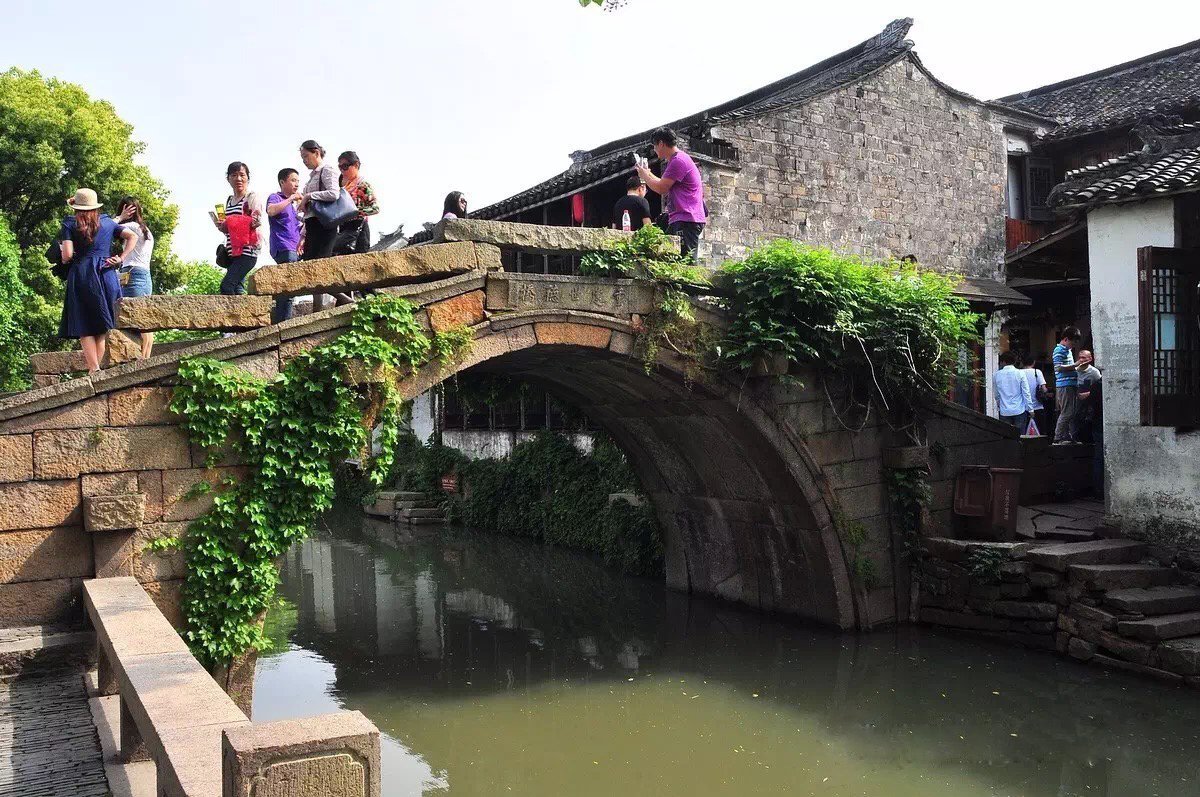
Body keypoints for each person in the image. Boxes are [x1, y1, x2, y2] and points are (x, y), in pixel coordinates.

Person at [58, 188, 134, 372]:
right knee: (101, 324)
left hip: (83, 273)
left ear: (76, 207)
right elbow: (133, 236)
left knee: (84, 323)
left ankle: (94, 369)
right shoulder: (108, 222)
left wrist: (62, 255)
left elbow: (67, 255)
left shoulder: (70, 223)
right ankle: (97, 368)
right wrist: (121, 258)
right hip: (105, 272)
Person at [635, 127, 707, 261]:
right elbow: (664, 183)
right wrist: (647, 173)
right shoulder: (678, 159)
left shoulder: (678, 161)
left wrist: (644, 175)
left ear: (661, 143)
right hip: (683, 218)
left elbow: (661, 188)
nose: (655, 150)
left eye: (655, 146)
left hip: (687, 218)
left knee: (685, 263)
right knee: (674, 260)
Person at [113, 197, 155, 358]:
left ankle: (142, 361)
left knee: (136, 319)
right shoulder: (145, 229)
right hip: (144, 275)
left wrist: (120, 217)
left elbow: (103, 227)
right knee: (144, 320)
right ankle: (145, 358)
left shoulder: (130, 226)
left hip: (133, 274)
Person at [212, 162, 263, 295]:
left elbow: (256, 221)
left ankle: (230, 316)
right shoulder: (229, 200)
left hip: (247, 251)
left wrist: (232, 222)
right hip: (231, 251)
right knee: (237, 289)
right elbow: (228, 229)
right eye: (234, 175)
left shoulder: (251, 198)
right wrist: (223, 226)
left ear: (248, 178)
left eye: (242, 175)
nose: (238, 179)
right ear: (228, 178)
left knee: (227, 285)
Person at [267, 168, 303, 323]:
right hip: (283, 245)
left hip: (295, 247)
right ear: (282, 182)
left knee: (289, 287)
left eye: (297, 181)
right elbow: (271, 211)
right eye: (293, 180)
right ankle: (283, 324)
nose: (296, 184)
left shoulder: (295, 205)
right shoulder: (276, 197)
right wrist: (290, 199)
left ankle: (281, 322)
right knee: (288, 288)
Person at [334, 151, 379, 256]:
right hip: (344, 228)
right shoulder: (346, 188)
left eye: (345, 166)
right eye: (339, 167)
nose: (342, 170)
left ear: (356, 165)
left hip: (358, 228)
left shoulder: (362, 185)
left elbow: (375, 208)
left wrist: (356, 212)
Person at [1052, 326, 1083, 443]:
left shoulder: (1067, 350)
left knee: (1072, 413)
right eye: (1073, 342)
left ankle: (1069, 436)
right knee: (1067, 412)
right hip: (1064, 385)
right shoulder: (1059, 350)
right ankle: (1057, 437)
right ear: (1065, 339)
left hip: (1070, 383)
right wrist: (1076, 365)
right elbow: (1058, 367)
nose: (1074, 345)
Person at [994, 350, 1034, 432]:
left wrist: (999, 405)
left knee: (1006, 436)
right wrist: (1030, 409)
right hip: (1019, 410)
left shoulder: (996, 375)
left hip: (1004, 411)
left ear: (1003, 362)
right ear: (1014, 361)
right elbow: (1026, 392)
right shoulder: (1020, 373)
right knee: (1020, 436)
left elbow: (996, 394)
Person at [1020, 352, 1048, 435]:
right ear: (1033, 362)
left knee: (1024, 432)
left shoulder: (1018, 372)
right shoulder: (1037, 372)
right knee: (1040, 430)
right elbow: (1044, 389)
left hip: (1023, 407)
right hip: (1037, 406)